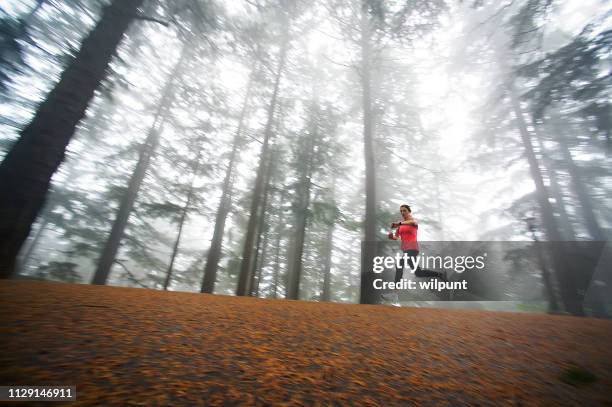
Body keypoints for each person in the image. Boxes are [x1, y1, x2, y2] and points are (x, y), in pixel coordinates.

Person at [388, 204, 447, 284]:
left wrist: (399, 224)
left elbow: (412, 222)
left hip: (412, 249)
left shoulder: (412, 222)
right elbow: (397, 237)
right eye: (401, 211)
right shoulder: (400, 227)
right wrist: (391, 236)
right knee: (418, 273)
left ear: (409, 211)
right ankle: (439, 274)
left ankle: (395, 293)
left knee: (399, 264)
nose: (402, 212)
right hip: (406, 250)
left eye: (404, 210)